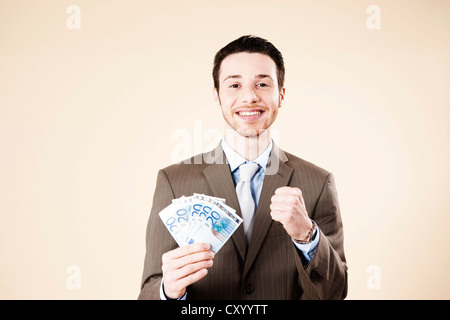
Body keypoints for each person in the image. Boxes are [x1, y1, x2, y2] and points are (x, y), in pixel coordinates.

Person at [138, 35, 347, 300]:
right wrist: (169, 291)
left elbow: (336, 292)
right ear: (217, 96)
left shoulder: (318, 182)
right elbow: (147, 291)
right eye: (234, 85)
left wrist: (307, 235)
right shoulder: (173, 180)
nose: (249, 97)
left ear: (281, 95)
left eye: (262, 84)